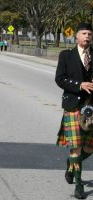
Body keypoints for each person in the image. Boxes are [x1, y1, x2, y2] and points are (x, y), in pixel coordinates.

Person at [55, 22, 93, 199]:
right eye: (84, 33)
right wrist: (79, 85)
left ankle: (71, 163)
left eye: (89, 34)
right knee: (76, 147)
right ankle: (78, 185)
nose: (87, 36)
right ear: (76, 36)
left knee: (90, 147)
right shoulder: (66, 55)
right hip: (73, 105)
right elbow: (60, 79)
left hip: (91, 107)